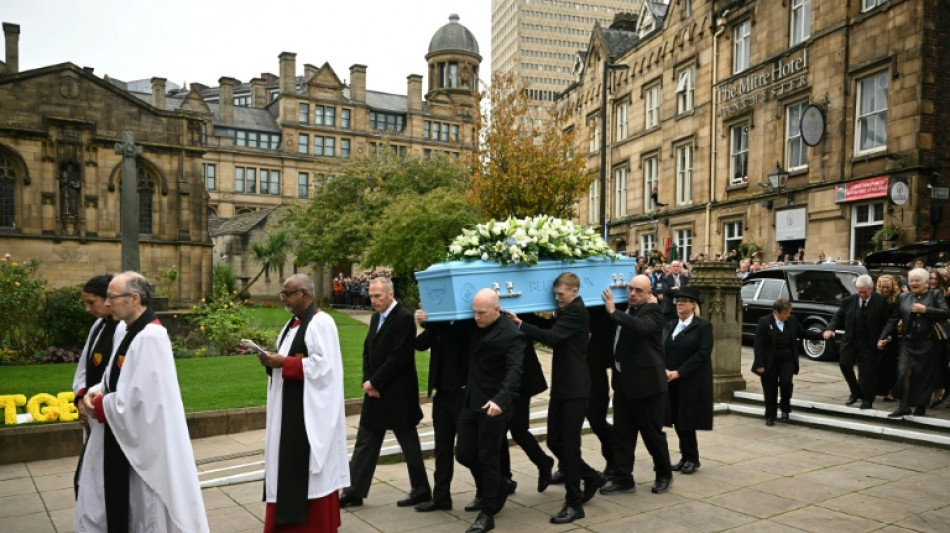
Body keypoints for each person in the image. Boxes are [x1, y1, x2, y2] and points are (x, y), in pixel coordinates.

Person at [75, 272, 208, 533]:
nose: (108, 304)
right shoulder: (129, 331)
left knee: (147, 510)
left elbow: (142, 401)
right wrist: (94, 391)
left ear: (134, 298)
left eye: (112, 298)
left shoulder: (150, 337)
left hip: (146, 445)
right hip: (121, 439)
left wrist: (101, 405)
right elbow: (117, 377)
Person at [510, 272, 603, 524]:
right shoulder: (567, 311)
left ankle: (574, 503)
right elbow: (550, 328)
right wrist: (526, 315)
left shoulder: (576, 311)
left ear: (574, 291)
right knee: (554, 441)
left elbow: (551, 337)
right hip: (563, 387)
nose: (557, 299)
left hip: (575, 388)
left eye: (561, 294)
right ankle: (591, 476)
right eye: (555, 295)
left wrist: (519, 323)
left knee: (570, 446)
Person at [259, 274, 348, 532]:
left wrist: (284, 363)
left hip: (308, 413)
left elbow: (325, 367)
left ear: (305, 295)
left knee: (305, 473)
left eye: (288, 294)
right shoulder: (293, 324)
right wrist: (271, 360)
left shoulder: (321, 322)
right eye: (283, 294)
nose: (283, 299)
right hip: (288, 406)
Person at [339, 278, 431, 508]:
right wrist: (366, 381)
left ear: (390, 294)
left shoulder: (403, 318)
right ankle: (353, 492)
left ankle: (421, 489)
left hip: (398, 393)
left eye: (378, 296)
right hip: (375, 391)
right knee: (366, 440)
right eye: (371, 296)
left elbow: (398, 358)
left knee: (408, 442)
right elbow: (368, 350)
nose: (373, 300)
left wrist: (375, 382)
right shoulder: (374, 317)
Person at [456, 289, 525, 533]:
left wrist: (501, 399)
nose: (476, 317)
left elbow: (515, 370)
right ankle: (498, 485)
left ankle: (487, 514)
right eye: (474, 312)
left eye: (482, 313)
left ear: (497, 310)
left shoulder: (511, 335)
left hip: (495, 406)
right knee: (463, 453)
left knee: (488, 457)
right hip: (472, 401)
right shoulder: (475, 325)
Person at [599, 275, 674, 496]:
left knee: (652, 434)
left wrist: (614, 312)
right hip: (623, 383)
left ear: (649, 293)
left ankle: (664, 474)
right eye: (630, 289)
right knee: (623, 434)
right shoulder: (627, 308)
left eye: (639, 290)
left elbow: (640, 327)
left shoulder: (653, 312)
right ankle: (623, 478)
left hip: (648, 386)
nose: (632, 293)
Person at [412, 310, 471, 513]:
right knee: (442, 448)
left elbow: (458, 338)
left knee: (468, 450)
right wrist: (427, 323)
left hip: (463, 396)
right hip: (442, 396)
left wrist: (434, 322)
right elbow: (419, 345)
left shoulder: (466, 323)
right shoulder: (440, 325)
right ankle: (441, 497)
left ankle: (488, 490)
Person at [72, 274, 122, 498]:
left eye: (91, 302)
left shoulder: (126, 330)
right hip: (93, 412)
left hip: (111, 413)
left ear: (108, 299)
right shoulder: (98, 326)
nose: (87, 309)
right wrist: (80, 399)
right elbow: (84, 367)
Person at [878, 268, 950, 418]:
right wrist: (882, 336)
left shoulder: (935, 294)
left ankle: (921, 405)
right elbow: (893, 318)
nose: (914, 283)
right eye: (911, 280)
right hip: (907, 341)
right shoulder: (904, 297)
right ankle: (903, 406)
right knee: (902, 373)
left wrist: (926, 309)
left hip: (928, 342)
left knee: (923, 376)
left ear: (925, 282)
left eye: (917, 280)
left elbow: (945, 312)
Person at [662, 287, 714, 475]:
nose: (679, 304)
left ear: (693, 305)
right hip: (671, 379)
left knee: (687, 420)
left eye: (684, 301)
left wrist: (680, 372)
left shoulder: (703, 326)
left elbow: (703, 354)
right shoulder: (670, 325)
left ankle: (693, 458)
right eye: (678, 301)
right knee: (677, 419)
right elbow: (662, 348)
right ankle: (685, 457)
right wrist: (665, 369)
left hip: (691, 380)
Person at [752, 298, 824, 425]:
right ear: (776, 312)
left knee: (786, 383)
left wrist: (822, 335)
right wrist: (759, 364)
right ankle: (770, 415)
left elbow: (804, 333)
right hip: (770, 361)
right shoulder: (764, 322)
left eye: (789, 312)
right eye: (785, 313)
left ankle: (785, 409)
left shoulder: (792, 320)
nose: (788, 315)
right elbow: (759, 345)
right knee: (770, 388)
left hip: (787, 359)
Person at [823, 275, 890, 410]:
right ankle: (855, 391)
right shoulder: (849, 301)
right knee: (844, 364)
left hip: (870, 343)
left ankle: (867, 399)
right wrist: (830, 328)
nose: (862, 294)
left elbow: (887, 322)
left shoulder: (881, 301)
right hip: (851, 341)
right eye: (859, 291)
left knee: (868, 373)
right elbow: (837, 316)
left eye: (865, 292)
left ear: (871, 289)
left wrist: (885, 338)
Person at [875, 275, 901, 402]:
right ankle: (880, 389)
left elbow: (893, 321)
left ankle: (891, 392)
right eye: (883, 287)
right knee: (878, 365)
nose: (885, 290)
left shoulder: (896, 300)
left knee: (890, 365)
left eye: (888, 287)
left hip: (891, 335)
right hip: (877, 334)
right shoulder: (876, 299)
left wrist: (887, 337)